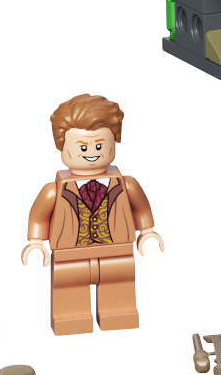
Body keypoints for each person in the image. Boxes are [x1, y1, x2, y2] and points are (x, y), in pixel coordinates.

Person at [21, 93, 159, 337]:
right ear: (62, 147)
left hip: (116, 250)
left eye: (99, 145)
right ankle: (70, 319)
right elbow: (39, 216)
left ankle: (118, 315)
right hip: (70, 254)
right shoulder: (55, 190)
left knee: (119, 286)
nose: (92, 152)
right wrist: (35, 242)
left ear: (114, 142)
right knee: (69, 289)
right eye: (83, 147)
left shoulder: (125, 184)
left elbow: (141, 208)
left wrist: (147, 232)